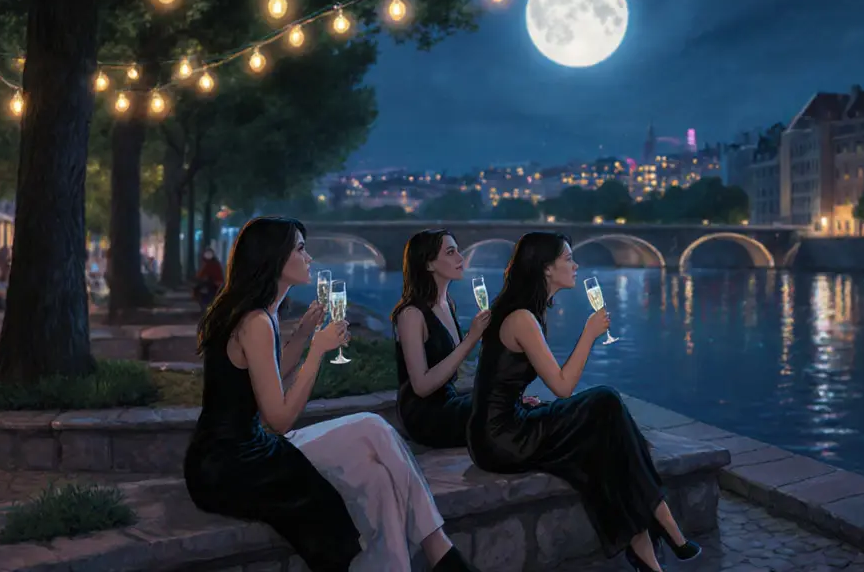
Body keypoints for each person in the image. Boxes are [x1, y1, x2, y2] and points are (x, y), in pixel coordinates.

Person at [183, 216, 477, 572]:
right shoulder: (256, 322)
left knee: (377, 478)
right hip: (231, 464)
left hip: (244, 451)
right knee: (372, 426)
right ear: (275, 258)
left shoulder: (258, 315)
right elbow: (278, 419)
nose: (309, 258)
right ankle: (440, 552)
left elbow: (269, 375)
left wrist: (306, 333)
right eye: (301, 249)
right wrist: (318, 351)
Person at [466, 232, 701, 571]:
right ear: (547, 269)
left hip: (500, 429)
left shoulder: (522, 313)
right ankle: (665, 522)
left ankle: (649, 556)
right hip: (501, 439)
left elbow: (498, 381)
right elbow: (562, 387)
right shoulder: (522, 318)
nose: (576, 266)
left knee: (603, 442)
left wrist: (517, 399)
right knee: (605, 403)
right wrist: (589, 334)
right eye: (568, 259)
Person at [391, 230, 490, 448]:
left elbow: (454, 365)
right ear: (428, 264)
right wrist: (471, 339)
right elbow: (422, 386)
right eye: (450, 252)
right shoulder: (411, 315)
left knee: (509, 400)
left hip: (449, 401)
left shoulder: (448, 304)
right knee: (500, 410)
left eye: (458, 251)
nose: (460, 258)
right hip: (424, 416)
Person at [194, 247, 225, 312]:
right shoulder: (215, 263)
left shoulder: (208, 264)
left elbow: (201, 275)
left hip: (213, 283)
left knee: (198, 289)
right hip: (216, 283)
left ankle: (205, 305)